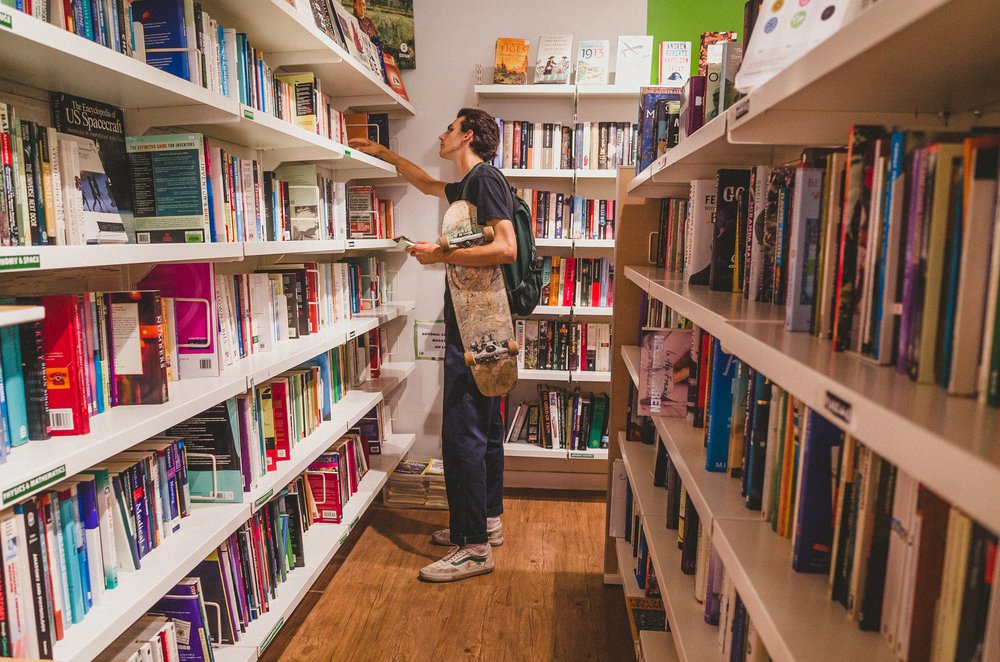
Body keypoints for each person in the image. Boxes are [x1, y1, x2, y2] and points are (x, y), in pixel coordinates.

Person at [349, 108, 516, 583]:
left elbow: (506, 249)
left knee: (462, 430)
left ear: (466, 135)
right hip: (483, 320)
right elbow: (425, 183)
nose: (440, 135)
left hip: (475, 322)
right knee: (482, 425)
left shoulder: (483, 181)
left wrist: (440, 253)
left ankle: (473, 548)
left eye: (448, 129)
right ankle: (486, 522)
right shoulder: (472, 184)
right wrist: (383, 153)